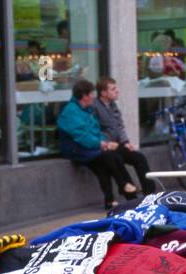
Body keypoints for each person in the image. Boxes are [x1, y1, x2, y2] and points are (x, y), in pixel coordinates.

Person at [56, 78, 138, 210]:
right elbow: (81, 137)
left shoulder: (86, 110)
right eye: (91, 94)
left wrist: (105, 142)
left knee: (103, 165)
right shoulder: (71, 112)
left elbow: (95, 130)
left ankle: (111, 200)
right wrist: (102, 145)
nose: (93, 97)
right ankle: (127, 188)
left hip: (88, 148)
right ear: (84, 96)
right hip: (76, 149)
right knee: (109, 157)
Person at [93, 76, 155, 196]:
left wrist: (126, 141)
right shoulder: (94, 107)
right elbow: (94, 129)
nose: (117, 91)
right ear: (103, 93)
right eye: (113, 89)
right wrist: (105, 142)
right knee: (117, 159)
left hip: (117, 145)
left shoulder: (113, 105)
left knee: (139, 158)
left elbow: (120, 126)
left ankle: (150, 193)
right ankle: (131, 195)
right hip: (105, 147)